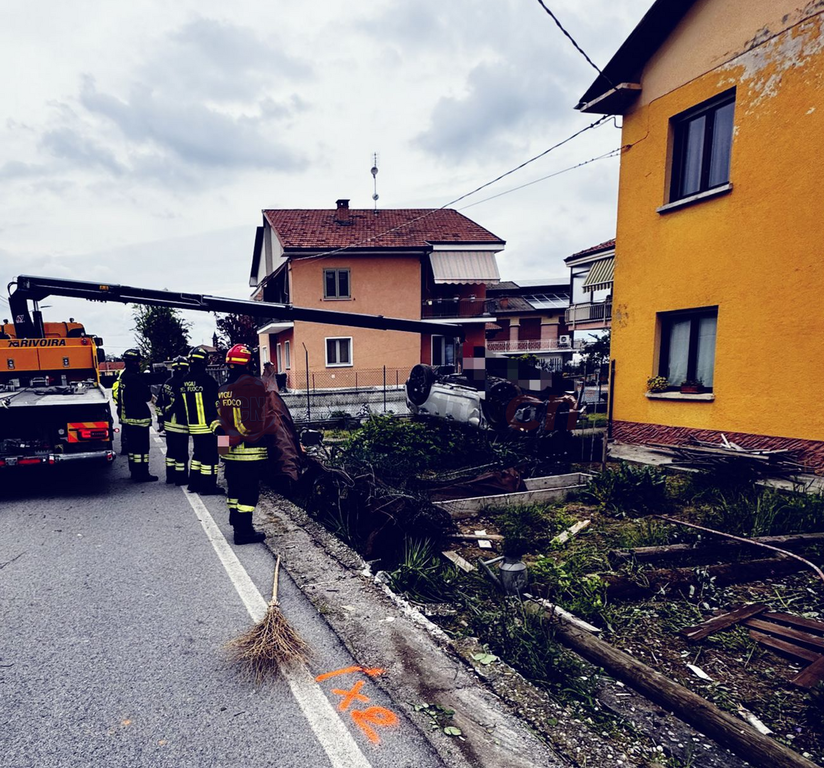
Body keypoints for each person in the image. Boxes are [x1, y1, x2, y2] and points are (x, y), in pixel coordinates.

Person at [211, 344, 269, 545]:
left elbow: (217, 420)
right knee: (248, 493)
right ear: (248, 364)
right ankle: (244, 533)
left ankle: (236, 524)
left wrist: (224, 445)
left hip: (229, 452)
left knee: (234, 490)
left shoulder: (222, 389)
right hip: (250, 452)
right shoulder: (253, 386)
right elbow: (255, 421)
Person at [181, 347, 222, 495]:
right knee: (210, 458)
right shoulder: (208, 380)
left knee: (198, 455)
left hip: (193, 426)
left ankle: (194, 484)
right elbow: (217, 404)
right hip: (208, 426)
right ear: (203, 362)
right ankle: (208, 487)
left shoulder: (184, 381)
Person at [119, 349, 158, 482]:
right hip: (138, 419)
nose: (140, 364)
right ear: (134, 362)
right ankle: (143, 473)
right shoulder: (135, 379)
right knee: (142, 449)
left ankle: (135, 472)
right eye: (138, 361)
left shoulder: (123, 376)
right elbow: (147, 396)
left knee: (133, 449)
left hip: (127, 419)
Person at [156, 356, 190, 485]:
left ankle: (170, 477)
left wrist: (161, 419)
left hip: (168, 424)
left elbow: (159, 403)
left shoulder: (167, 382)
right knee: (181, 454)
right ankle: (181, 478)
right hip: (180, 424)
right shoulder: (184, 383)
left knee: (171, 452)